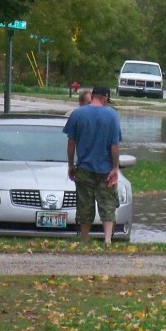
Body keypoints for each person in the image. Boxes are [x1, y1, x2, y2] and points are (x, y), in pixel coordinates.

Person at [63, 85, 120, 244]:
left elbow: (71, 143)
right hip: (106, 169)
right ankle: (107, 239)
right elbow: (114, 146)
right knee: (107, 204)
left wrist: (70, 165)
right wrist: (115, 168)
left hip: (84, 168)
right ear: (106, 98)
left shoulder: (77, 114)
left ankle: (84, 238)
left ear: (93, 96)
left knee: (84, 205)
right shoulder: (112, 115)